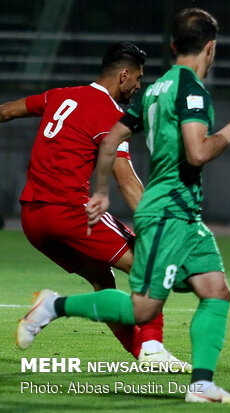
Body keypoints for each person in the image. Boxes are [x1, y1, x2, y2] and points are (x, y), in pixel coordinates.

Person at [16, 8, 230, 404]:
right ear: (210, 48)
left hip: (179, 215)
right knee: (143, 306)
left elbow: (109, 142)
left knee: (216, 290)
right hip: (169, 210)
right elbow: (195, 154)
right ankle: (56, 307)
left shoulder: (153, 91)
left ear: (174, 45)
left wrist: (101, 190)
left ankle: (201, 385)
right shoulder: (191, 91)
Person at [3, 41, 188, 371]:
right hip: (69, 213)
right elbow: (126, 181)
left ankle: (140, 354)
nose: (137, 86)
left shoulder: (58, 96)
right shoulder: (110, 114)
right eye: (138, 78)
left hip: (32, 219)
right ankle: (152, 347)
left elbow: (5, 111)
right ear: (123, 75)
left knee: (104, 281)